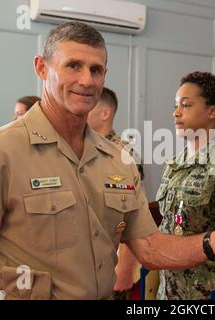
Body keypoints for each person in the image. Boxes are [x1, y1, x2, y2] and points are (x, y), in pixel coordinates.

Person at [0, 22, 215, 300]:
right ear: (41, 67)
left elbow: (149, 246)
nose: (87, 80)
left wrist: (211, 243)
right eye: (73, 66)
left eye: (96, 70)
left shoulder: (117, 159)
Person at [155, 71, 215, 300]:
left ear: (212, 111)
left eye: (186, 105)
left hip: (206, 292)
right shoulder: (174, 164)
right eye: (176, 105)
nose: (176, 113)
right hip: (169, 290)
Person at [87, 87, 144, 298]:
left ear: (105, 113)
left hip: (114, 259)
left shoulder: (124, 153)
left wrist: (125, 269)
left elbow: (133, 215)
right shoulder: (82, 147)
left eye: (90, 106)